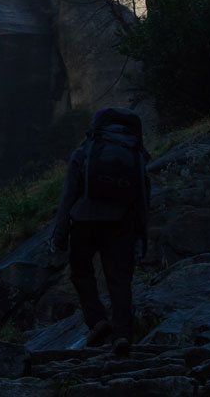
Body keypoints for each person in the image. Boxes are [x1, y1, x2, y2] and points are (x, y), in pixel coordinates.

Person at [50, 108, 150, 356]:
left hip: (84, 221)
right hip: (121, 222)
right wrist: (141, 235)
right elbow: (144, 197)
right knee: (119, 280)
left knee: (81, 272)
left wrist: (59, 235)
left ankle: (97, 321)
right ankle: (122, 336)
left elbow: (68, 197)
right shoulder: (135, 153)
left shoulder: (85, 151)